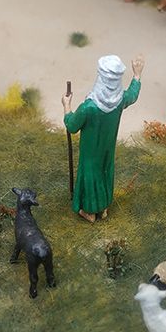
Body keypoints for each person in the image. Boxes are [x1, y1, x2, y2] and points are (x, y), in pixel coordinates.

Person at [62, 55, 144, 223]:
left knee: (90, 175)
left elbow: (72, 126)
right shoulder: (120, 100)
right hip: (108, 148)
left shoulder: (88, 107)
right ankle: (103, 208)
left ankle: (89, 212)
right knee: (105, 171)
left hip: (90, 152)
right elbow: (132, 95)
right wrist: (137, 75)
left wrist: (67, 106)